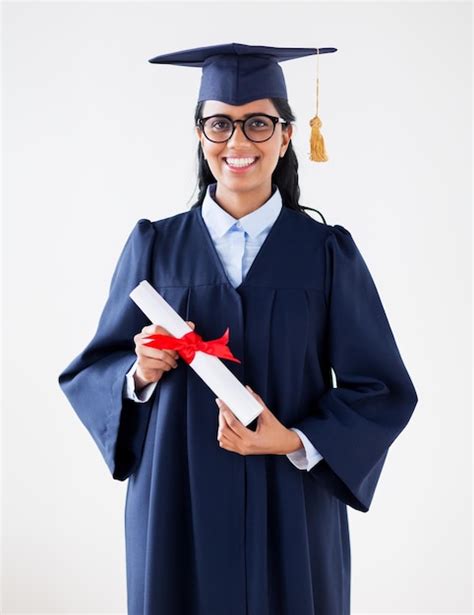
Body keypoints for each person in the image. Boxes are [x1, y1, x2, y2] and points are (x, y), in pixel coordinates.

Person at [58, 43, 418, 615]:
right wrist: (139, 372)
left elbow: (380, 387)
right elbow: (93, 370)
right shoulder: (154, 246)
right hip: (177, 497)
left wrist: (295, 440)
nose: (238, 142)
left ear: (286, 135)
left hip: (289, 501)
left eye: (258, 123)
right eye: (220, 123)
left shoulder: (326, 253)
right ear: (200, 134)